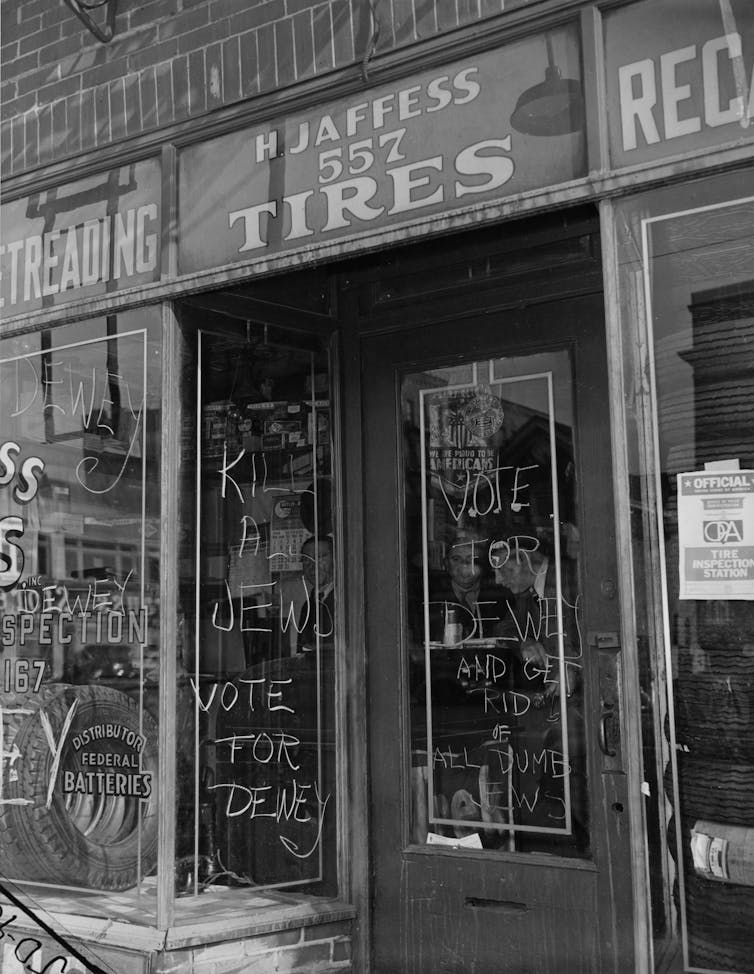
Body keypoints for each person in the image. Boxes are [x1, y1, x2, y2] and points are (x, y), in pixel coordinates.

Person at [295, 535, 335, 654]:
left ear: (336, 559)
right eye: (306, 560)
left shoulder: (346, 597)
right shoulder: (308, 606)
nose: (313, 566)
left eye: (321, 557)